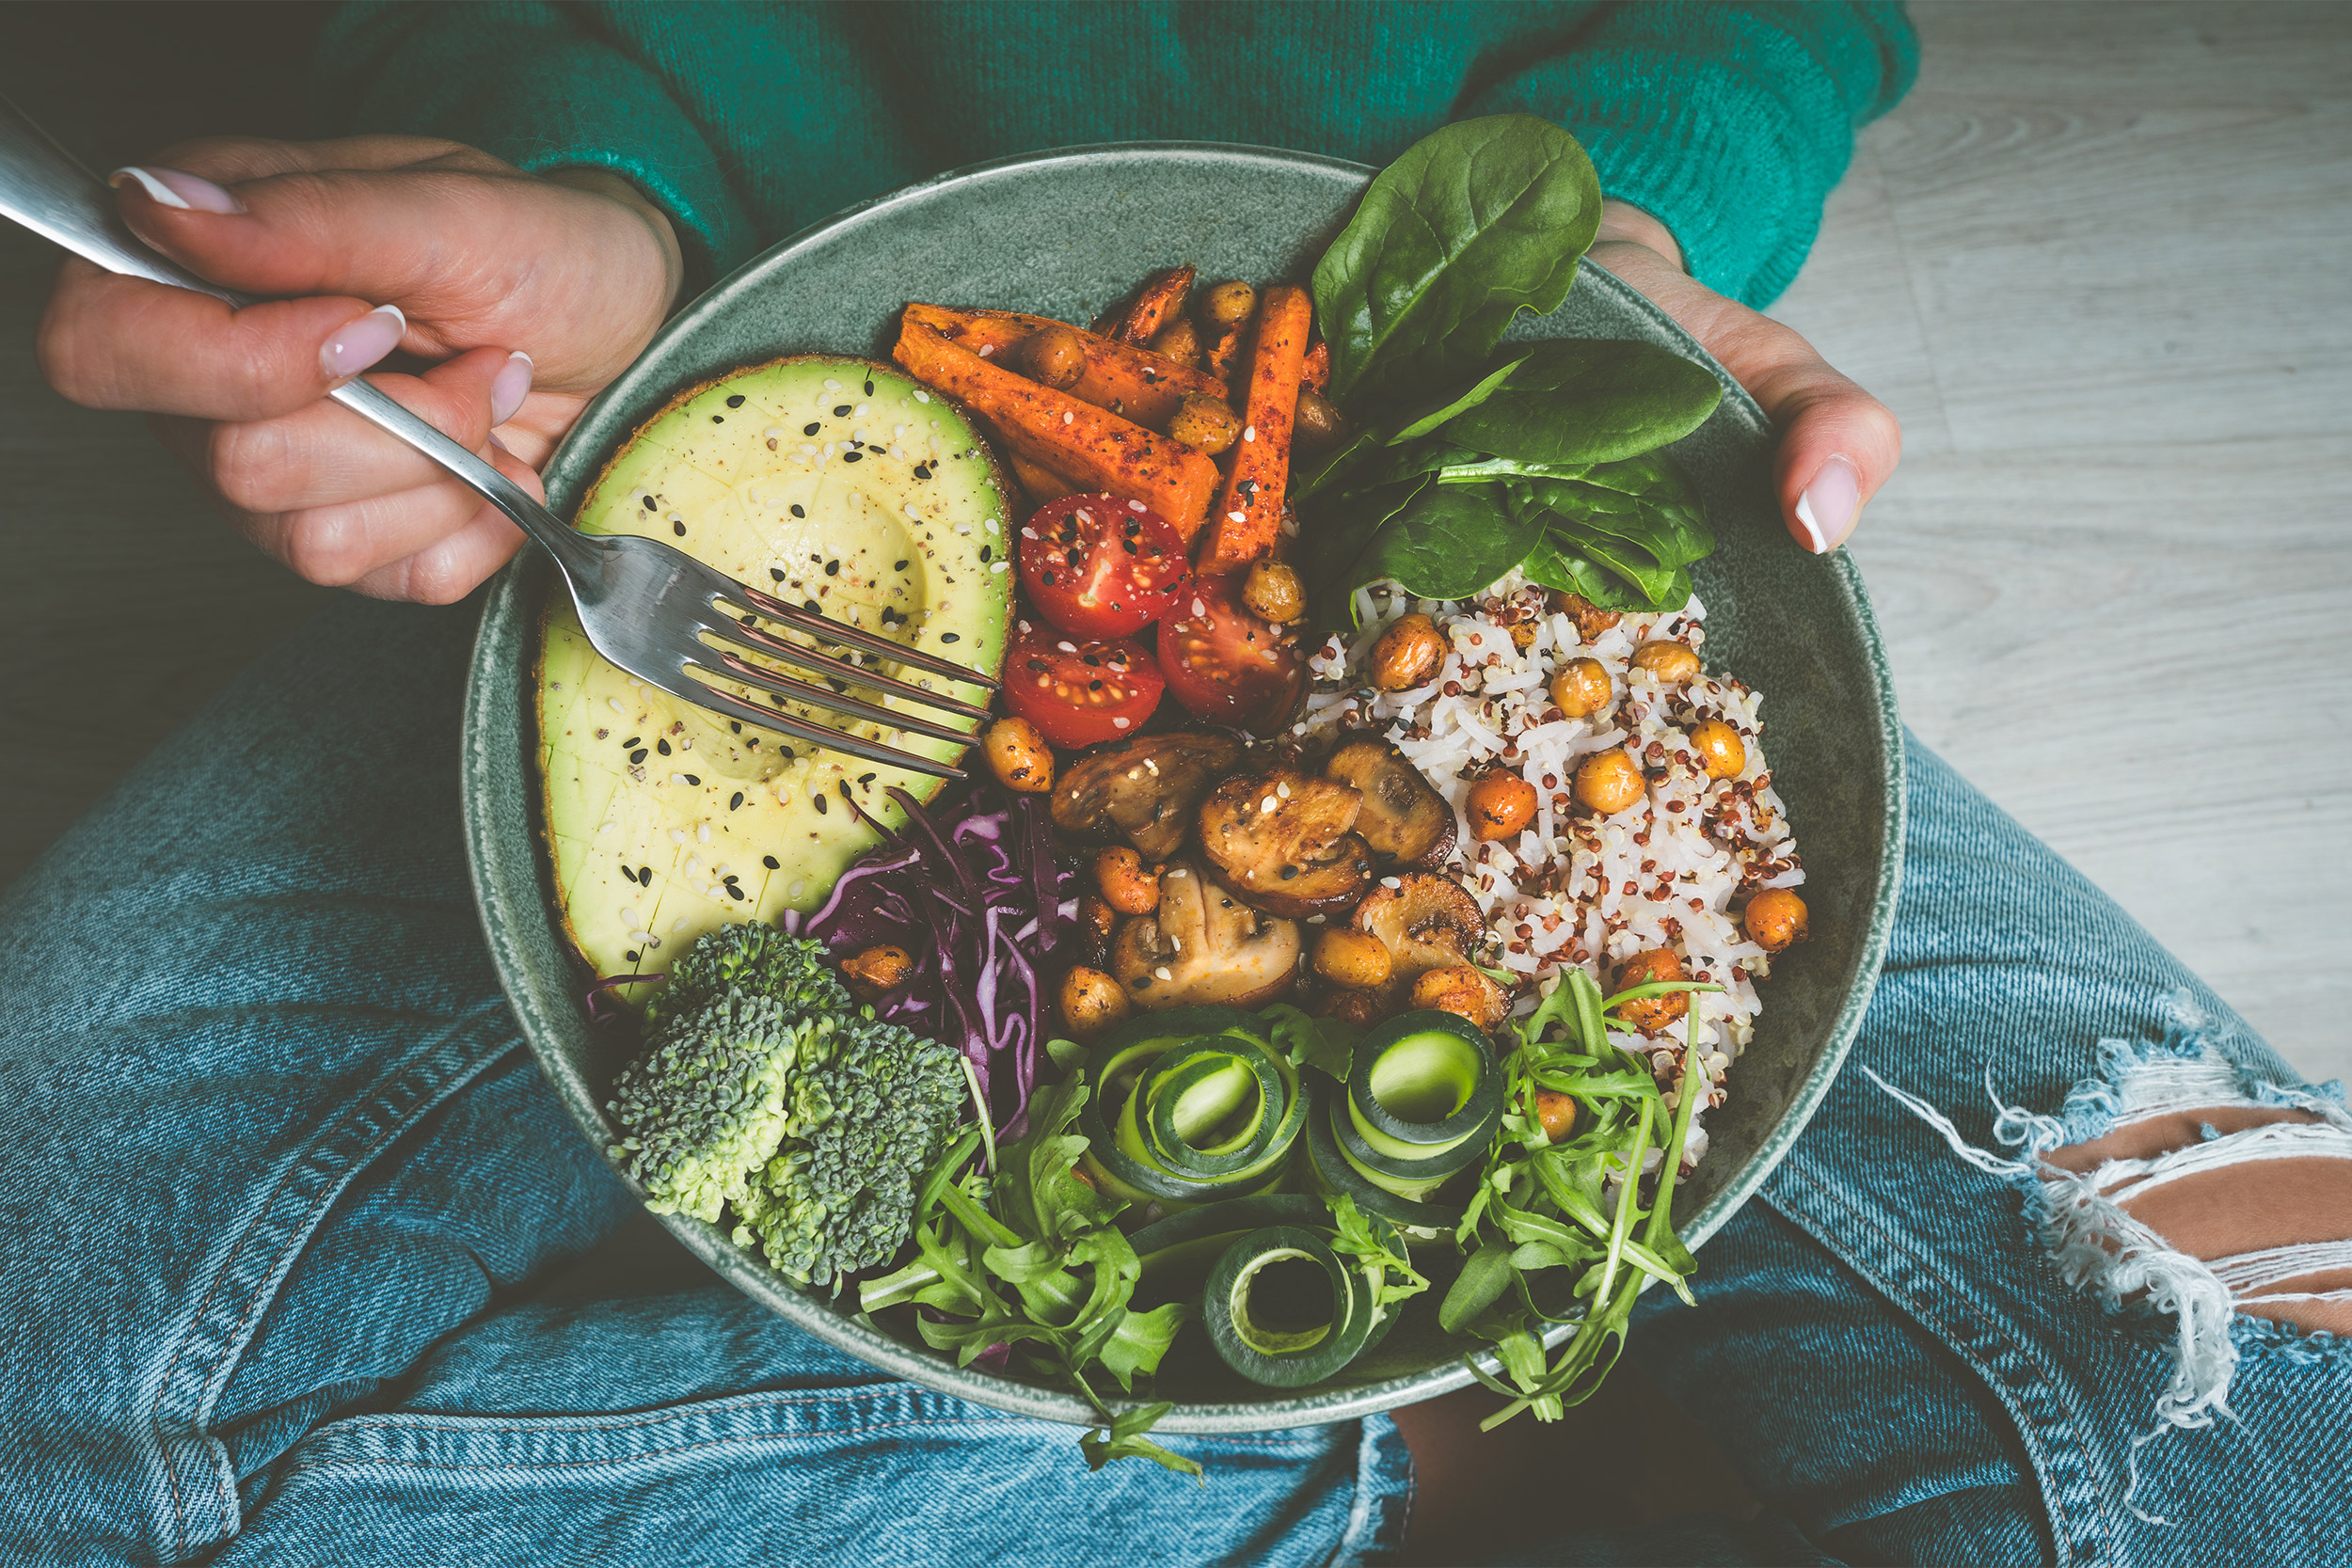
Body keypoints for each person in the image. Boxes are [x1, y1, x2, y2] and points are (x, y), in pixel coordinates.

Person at [11, 5, 2346, 1563]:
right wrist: (586, 196)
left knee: (2266, 1438)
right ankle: (1299, 1456)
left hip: (1465, 523)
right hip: (713, 415)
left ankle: (1229, 1455)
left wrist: (1610, 229)